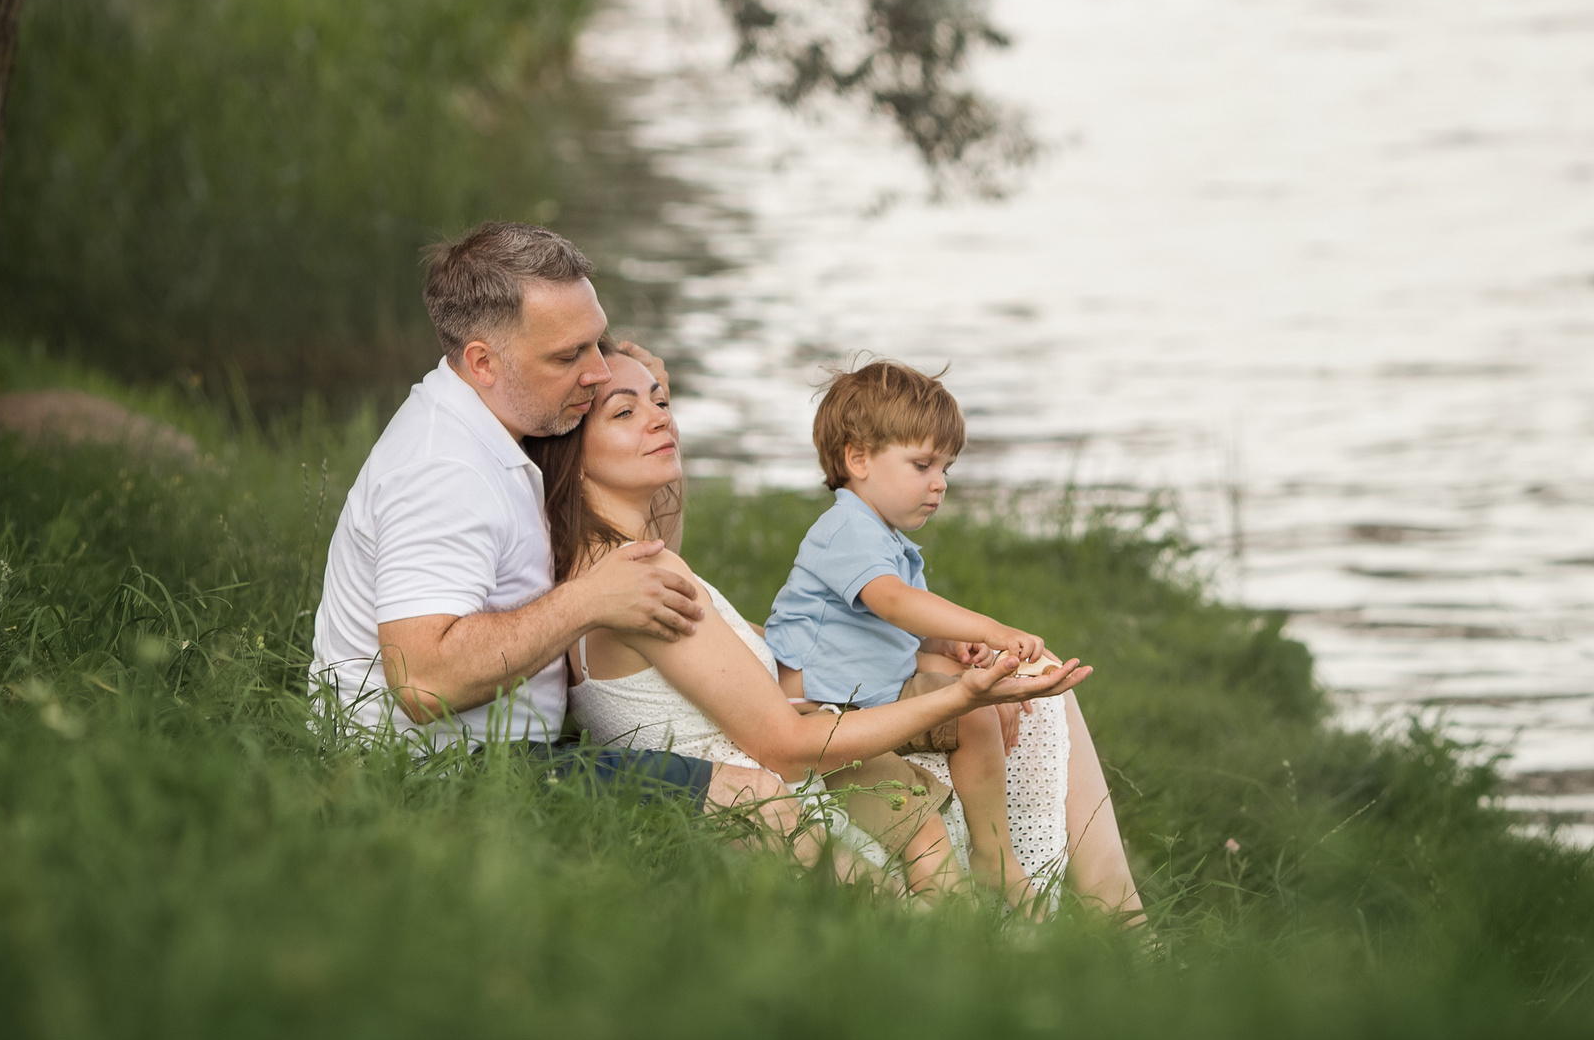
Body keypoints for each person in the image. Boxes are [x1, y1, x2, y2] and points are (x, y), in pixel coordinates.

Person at [537, 342, 1143, 919]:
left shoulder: (614, 565)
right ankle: (1116, 929)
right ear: (572, 450)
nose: (659, 419)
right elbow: (786, 743)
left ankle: (1102, 922)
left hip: (792, 744)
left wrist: (949, 661)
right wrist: (960, 695)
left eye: (662, 402)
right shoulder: (642, 577)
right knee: (1038, 702)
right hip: (788, 778)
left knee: (1024, 691)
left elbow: (750, 647)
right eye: (626, 410)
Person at [308, 223, 793, 827]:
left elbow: (641, 549)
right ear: (484, 361)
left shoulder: (503, 428)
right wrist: (588, 601)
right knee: (761, 803)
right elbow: (423, 681)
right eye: (569, 356)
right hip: (430, 773)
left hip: (506, 753)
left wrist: (650, 399)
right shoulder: (443, 469)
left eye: (596, 341)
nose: (597, 372)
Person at [762, 360, 1054, 906]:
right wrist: (990, 628)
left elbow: (880, 627)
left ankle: (995, 856)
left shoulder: (885, 538)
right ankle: (955, 932)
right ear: (858, 458)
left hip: (877, 698)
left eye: (946, 467)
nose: (939, 483)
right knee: (919, 831)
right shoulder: (845, 528)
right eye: (922, 464)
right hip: (828, 720)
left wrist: (942, 646)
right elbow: (893, 603)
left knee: (974, 709)